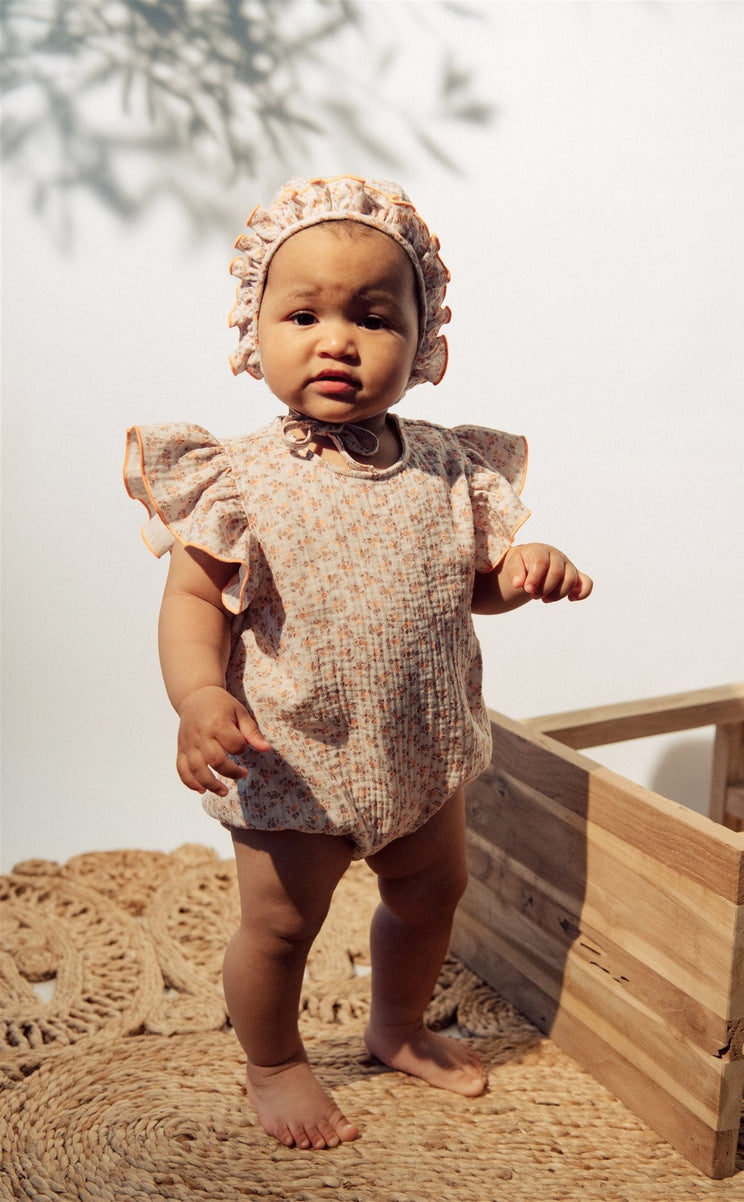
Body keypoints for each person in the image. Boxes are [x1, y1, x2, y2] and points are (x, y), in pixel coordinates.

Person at [124, 175, 592, 1152]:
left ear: (424, 344)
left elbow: (466, 585)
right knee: (279, 929)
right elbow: (189, 603)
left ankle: (395, 1023)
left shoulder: (447, 467)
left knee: (429, 897)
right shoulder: (235, 476)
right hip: (291, 761)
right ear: (255, 332)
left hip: (420, 755)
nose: (336, 338)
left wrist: (516, 571)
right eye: (303, 313)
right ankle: (274, 1059)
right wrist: (199, 695)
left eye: (372, 317)